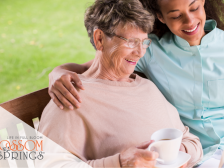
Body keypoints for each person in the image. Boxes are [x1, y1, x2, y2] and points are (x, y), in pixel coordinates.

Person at [47, 0, 224, 167]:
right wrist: (57, 73)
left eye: (194, 8)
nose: (190, 21)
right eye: (176, 15)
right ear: (161, 17)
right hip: (199, 160)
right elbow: (97, 67)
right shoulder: (150, 51)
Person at [38, 0, 203, 167]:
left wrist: (176, 153)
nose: (140, 52)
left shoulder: (147, 88)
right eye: (131, 41)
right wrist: (120, 163)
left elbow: (191, 141)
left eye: (145, 42)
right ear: (100, 39)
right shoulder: (71, 97)